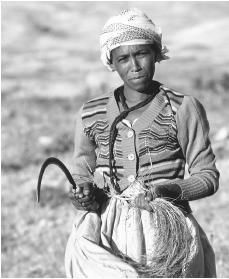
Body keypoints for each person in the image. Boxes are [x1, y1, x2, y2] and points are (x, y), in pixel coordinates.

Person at [65, 8, 219, 278]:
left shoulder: (182, 108)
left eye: (142, 53)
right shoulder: (91, 113)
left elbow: (207, 177)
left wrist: (165, 191)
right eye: (123, 58)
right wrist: (84, 194)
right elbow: (81, 172)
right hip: (107, 232)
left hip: (168, 233)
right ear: (111, 62)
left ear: (157, 53)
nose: (134, 66)